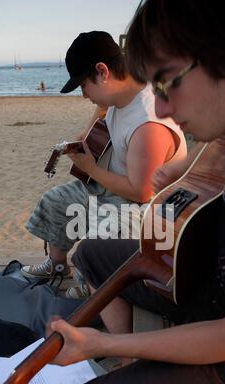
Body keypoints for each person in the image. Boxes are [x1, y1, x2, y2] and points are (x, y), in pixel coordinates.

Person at [35, 1, 225, 384]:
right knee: (90, 252)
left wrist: (102, 346)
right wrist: (180, 166)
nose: (159, 104)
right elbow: (210, 153)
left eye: (166, 81)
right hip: (206, 282)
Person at [21, 31, 186, 281]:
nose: (84, 94)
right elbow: (94, 130)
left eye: (83, 85)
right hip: (115, 189)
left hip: (148, 209)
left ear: (103, 72)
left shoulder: (148, 122)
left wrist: (91, 170)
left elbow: (141, 192)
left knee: (97, 246)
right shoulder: (118, 100)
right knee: (56, 200)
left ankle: (96, 289)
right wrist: (91, 124)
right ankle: (56, 265)